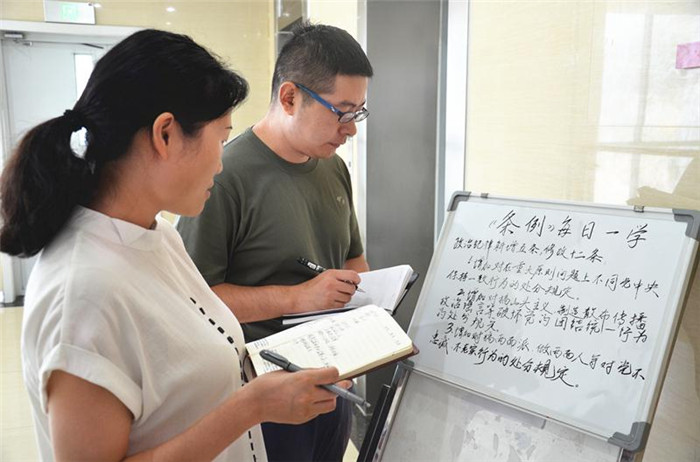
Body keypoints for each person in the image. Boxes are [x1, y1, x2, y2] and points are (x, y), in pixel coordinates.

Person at [0, 29, 350, 461]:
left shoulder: (157, 235)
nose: (221, 163)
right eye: (221, 140)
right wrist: (250, 408)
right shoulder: (84, 294)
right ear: (165, 134)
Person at [176, 22, 373, 461]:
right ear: (289, 98)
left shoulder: (333, 168)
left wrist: (372, 321)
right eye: (341, 112)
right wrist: (298, 298)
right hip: (260, 398)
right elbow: (194, 302)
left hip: (332, 384)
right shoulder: (222, 176)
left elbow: (353, 261)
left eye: (358, 113)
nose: (351, 130)